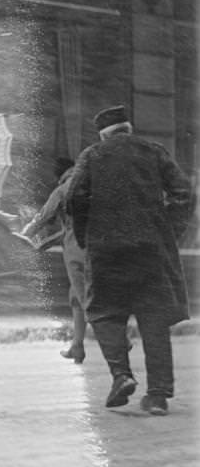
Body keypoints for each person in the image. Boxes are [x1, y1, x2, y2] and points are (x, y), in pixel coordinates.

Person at [67, 105, 193, 416]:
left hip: (107, 249)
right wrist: (168, 230)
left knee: (105, 313)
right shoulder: (154, 151)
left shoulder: (92, 155)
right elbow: (183, 194)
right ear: (129, 129)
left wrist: (87, 237)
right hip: (151, 249)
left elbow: (74, 199)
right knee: (154, 319)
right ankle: (158, 395)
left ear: (103, 134)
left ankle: (121, 375)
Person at [21, 163, 91, 363]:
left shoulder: (63, 189)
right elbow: (68, 229)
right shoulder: (91, 188)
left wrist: (22, 237)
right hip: (98, 250)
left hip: (77, 252)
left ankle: (117, 340)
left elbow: (43, 217)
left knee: (84, 298)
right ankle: (77, 346)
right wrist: (44, 244)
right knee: (78, 298)